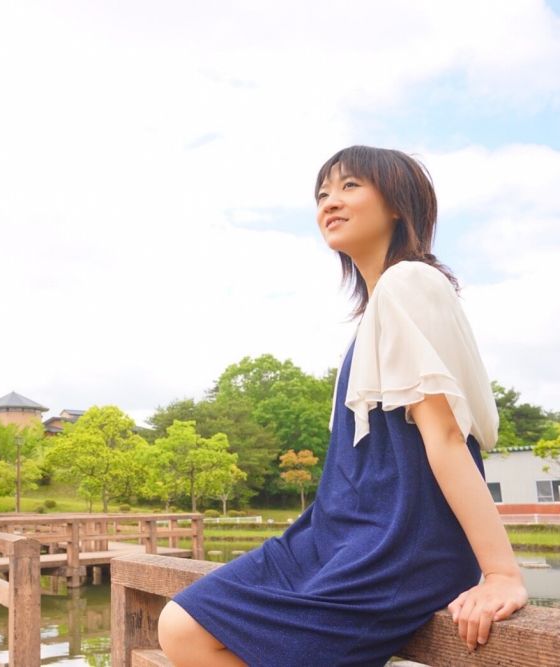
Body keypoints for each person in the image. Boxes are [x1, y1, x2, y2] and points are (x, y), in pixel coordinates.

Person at [156, 145, 529, 667]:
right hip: (337, 533)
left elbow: (446, 435)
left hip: (394, 544)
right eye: (322, 193)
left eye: (350, 186)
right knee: (182, 625)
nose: (330, 201)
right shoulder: (375, 311)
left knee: (187, 629)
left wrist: (501, 573)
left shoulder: (409, 283)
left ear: (397, 204)